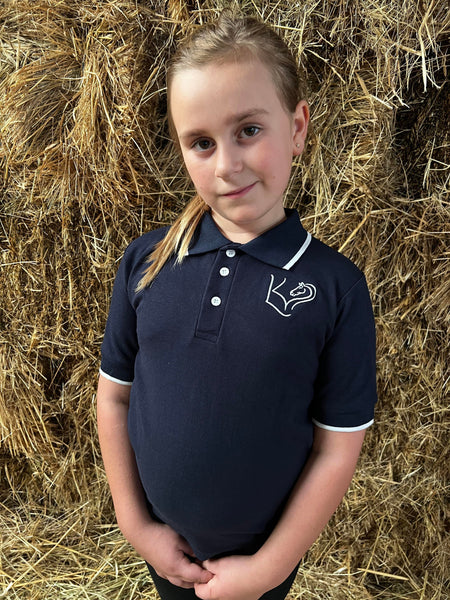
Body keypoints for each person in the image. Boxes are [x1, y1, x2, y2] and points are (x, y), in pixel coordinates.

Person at [97, 11, 377, 600]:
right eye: (201, 143)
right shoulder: (146, 263)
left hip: (259, 569)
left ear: (297, 127)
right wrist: (136, 525)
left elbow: (336, 448)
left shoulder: (336, 288)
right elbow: (115, 397)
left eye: (249, 130)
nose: (227, 165)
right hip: (163, 550)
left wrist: (271, 568)